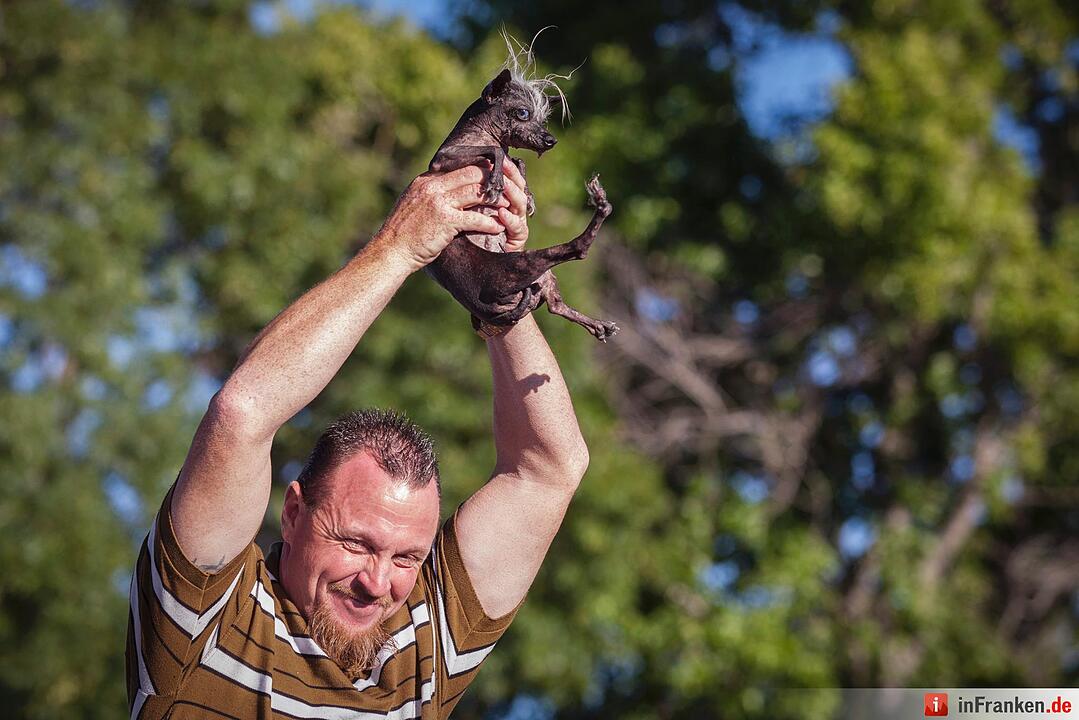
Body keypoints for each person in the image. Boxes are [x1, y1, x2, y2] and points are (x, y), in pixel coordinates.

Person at [125, 159, 590, 719]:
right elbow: (241, 414)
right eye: (356, 544)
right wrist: (401, 247)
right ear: (293, 514)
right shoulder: (205, 614)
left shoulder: (423, 646)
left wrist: (498, 292)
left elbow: (549, 469)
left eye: (406, 557)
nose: (377, 582)